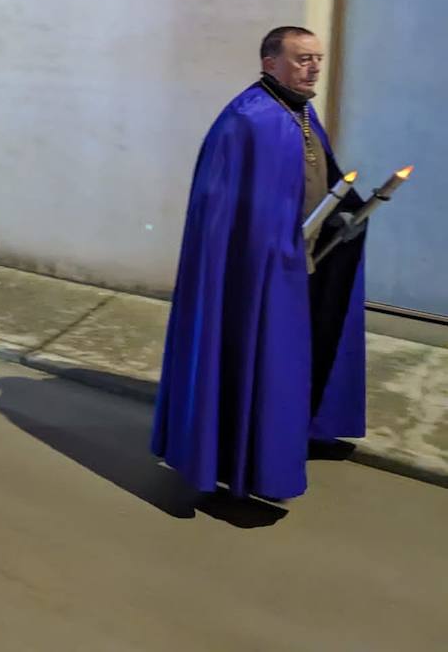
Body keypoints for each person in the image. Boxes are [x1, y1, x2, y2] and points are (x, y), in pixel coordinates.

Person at [152, 27, 369, 501]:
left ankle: (300, 434)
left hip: (303, 261)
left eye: (318, 58)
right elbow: (221, 214)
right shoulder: (247, 120)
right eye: (302, 58)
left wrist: (349, 214)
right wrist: (266, 250)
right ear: (270, 62)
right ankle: (242, 462)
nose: (313, 67)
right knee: (259, 360)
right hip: (257, 274)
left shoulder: (301, 111)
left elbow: (320, 176)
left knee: (296, 358)